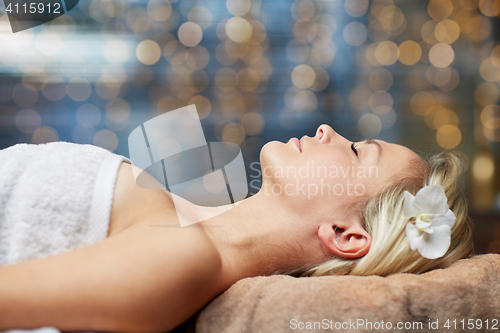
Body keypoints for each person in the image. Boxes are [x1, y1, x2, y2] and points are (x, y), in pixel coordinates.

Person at [0, 124, 473, 332]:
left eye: (355, 151)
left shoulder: (184, 258)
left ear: (347, 235)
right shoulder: (179, 222)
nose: (328, 129)